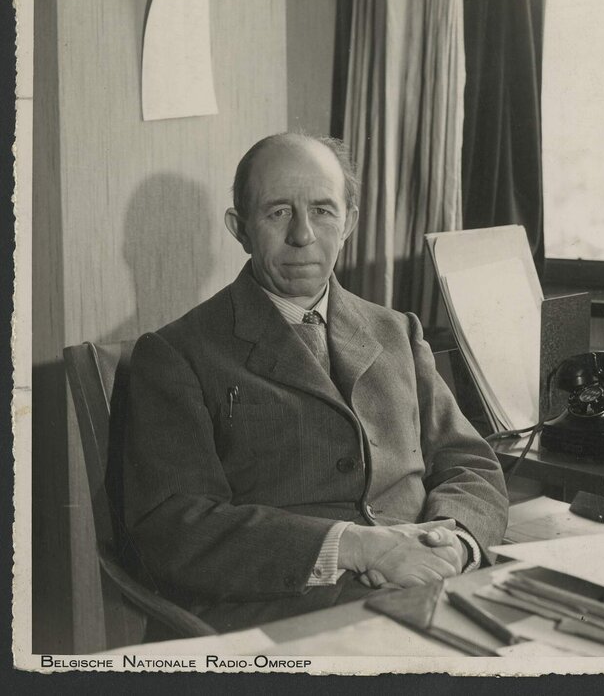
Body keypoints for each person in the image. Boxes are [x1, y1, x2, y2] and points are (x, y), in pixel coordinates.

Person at [117, 133, 508, 632]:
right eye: (278, 212)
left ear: (350, 223)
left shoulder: (397, 332)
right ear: (240, 228)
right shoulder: (177, 354)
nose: (303, 235)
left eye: (323, 211)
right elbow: (175, 525)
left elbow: (469, 461)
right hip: (281, 606)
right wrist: (358, 545)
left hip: (429, 582)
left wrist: (453, 540)